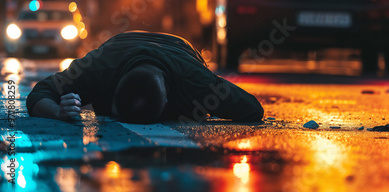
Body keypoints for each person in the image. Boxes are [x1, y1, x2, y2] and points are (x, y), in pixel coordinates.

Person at [26, 31, 264, 124]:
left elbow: (253, 109)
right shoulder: (97, 70)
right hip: (121, 42)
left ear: (169, 103)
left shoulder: (197, 82)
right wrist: (57, 112)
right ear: (112, 86)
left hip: (179, 47)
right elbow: (39, 93)